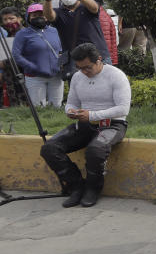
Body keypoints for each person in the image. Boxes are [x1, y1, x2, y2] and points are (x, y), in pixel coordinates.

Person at [40, 43, 131, 208]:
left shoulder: (116, 76)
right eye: (79, 67)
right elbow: (71, 103)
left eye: (87, 67)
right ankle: (76, 186)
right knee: (49, 148)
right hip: (84, 124)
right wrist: (70, 111)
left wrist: (93, 115)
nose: (83, 72)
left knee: (95, 150)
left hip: (113, 125)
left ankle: (92, 189)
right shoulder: (77, 77)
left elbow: (123, 109)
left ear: (99, 60)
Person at [42, 0, 111, 76]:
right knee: (78, 89)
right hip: (75, 61)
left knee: (105, 87)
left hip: (99, 57)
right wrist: (47, 0)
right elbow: (50, 16)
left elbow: (95, 7)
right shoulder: (59, 12)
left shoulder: (86, 7)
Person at [12, 3, 63, 107]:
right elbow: (16, 55)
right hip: (34, 77)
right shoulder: (22, 34)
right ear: (28, 17)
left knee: (57, 106)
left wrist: (62, 62)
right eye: (34, 15)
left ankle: (54, 124)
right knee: (39, 107)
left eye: (41, 14)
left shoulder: (54, 31)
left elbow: (62, 49)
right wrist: (33, 67)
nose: (38, 17)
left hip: (56, 76)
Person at [84, 0, 119, 66]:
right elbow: (113, 39)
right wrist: (113, 59)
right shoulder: (106, 15)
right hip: (106, 55)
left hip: (96, 57)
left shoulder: (94, 17)